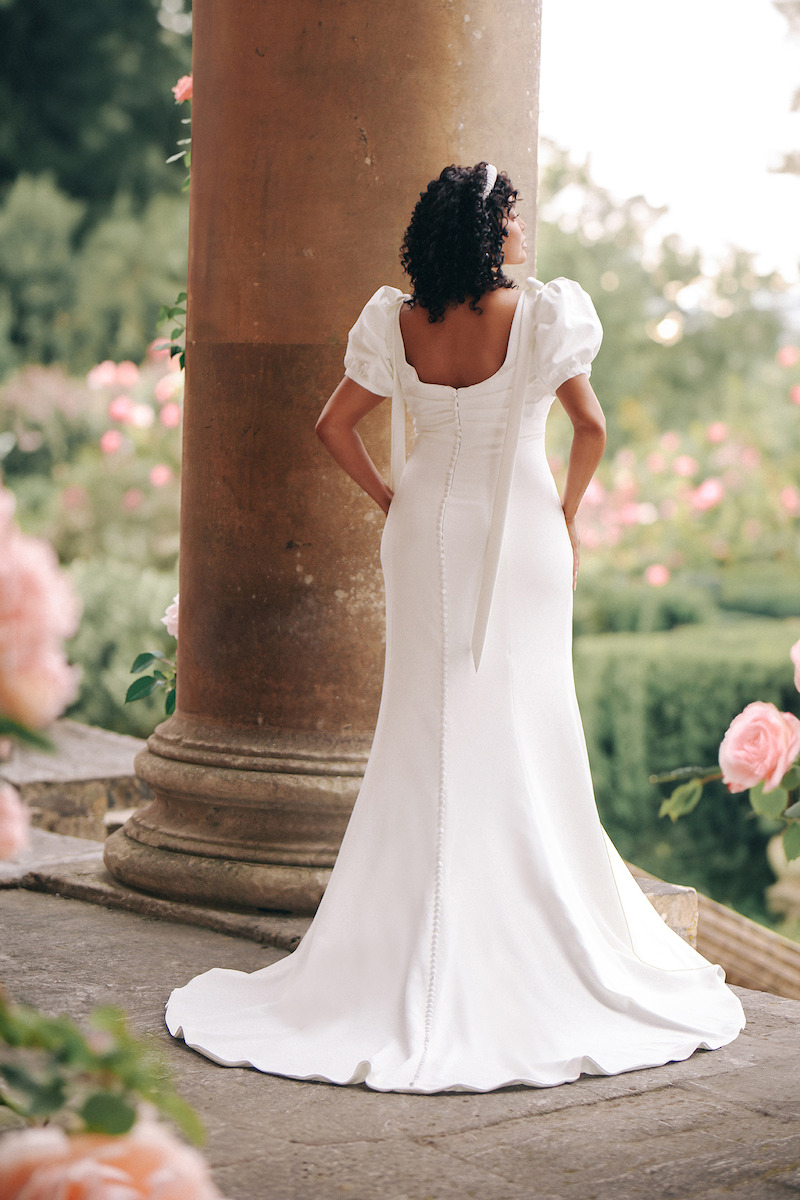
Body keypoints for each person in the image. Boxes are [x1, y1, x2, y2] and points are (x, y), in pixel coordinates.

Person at [165, 163, 745, 1093]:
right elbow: (589, 429)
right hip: (518, 531)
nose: (524, 233)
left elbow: (332, 426)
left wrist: (392, 495)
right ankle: (519, 924)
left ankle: (399, 938)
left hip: (420, 526)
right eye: (514, 221)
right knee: (525, 719)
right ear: (488, 232)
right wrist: (566, 512)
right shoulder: (542, 314)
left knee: (423, 726)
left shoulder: (398, 319)